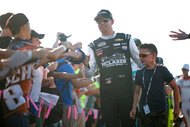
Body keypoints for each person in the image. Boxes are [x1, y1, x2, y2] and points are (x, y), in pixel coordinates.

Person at [82, 9, 143, 127]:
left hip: (126, 91)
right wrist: (85, 65)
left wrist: (155, 65)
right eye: (98, 21)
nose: (102, 23)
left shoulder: (126, 38)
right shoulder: (93, 45)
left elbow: (140, 62)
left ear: (112, 21)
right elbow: (88, 74)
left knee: (128, 123)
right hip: (107, 93)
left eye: (105, 20)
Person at [129, 43, 180, 127]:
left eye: (143, 54)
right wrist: (134, 108)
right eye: (139, 55)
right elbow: (137, 92)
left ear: (153, 56)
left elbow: (175, 87)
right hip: (144, 111)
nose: (141, 57)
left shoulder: (162, 70)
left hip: (160, 111)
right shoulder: (139, 73)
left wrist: (177, 108)